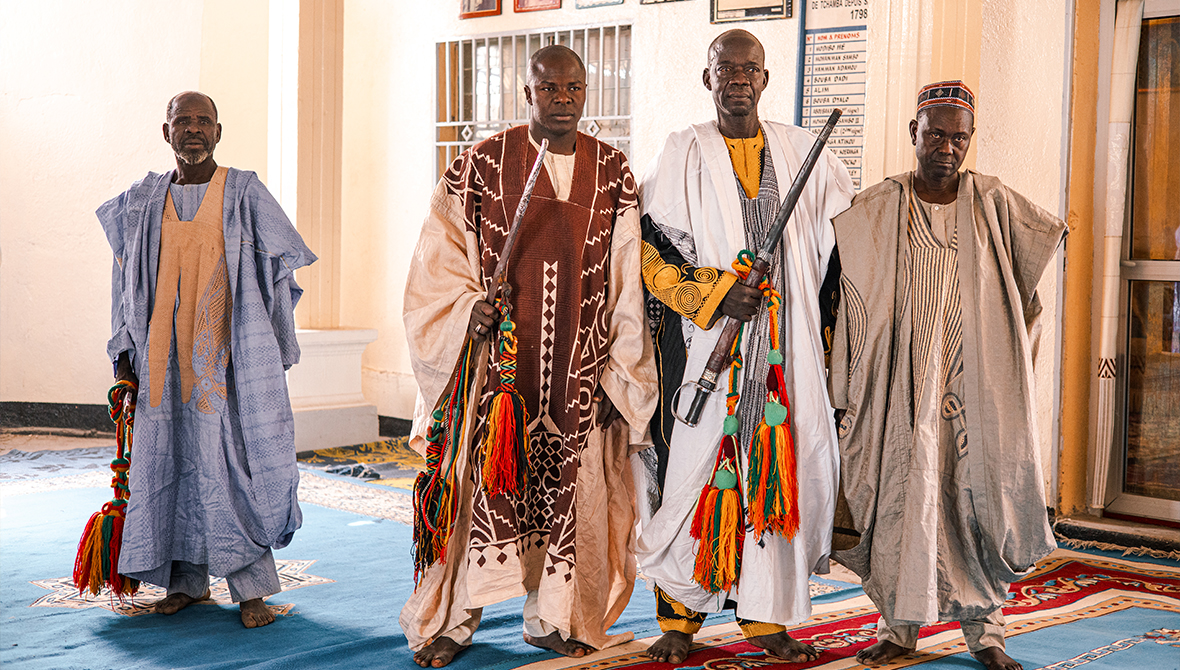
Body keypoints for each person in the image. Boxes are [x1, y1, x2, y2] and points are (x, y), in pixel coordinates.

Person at [401, 45, 657, 668]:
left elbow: (626, 283)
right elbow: (437, 266)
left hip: (579, 374)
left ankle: (556, 617)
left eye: (574, 89)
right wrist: (468, 310)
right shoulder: (481, 167)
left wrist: (618, 377)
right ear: (528, 92)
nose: (563, 99)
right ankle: (452, 622)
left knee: (572, 496)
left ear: (587, 91)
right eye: (549, 88)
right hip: (498, 377)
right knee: (477, 493)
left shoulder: (615, 172)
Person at [827, 81, 1065, 670]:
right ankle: (897, 628)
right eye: (935, 134)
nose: (947, 148)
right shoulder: (880, 205)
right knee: (900, 499)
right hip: (899, 382)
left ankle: (987, 634)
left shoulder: (991, 202)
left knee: (976, 501)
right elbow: (843, 283)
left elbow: (1033, 263)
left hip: (972, 380)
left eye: (959, 138)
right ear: (914, 132)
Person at [635, 29, 854, 664]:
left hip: (788, 354)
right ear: (707, 79)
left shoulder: (804, 152)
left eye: (748, 69)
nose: (736, 79)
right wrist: (715, 294)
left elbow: (844, 251)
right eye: (723, 68)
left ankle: (765, 617)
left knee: (779, 473)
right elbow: (651, 251)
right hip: (706, 348)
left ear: (765, 78)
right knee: (693, 472)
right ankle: (679, 619)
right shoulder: (681, 152)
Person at [99, 91, 315, 628]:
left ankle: (252, 590)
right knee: (169, 463)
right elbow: (122, 283)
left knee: (231, 466)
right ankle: (185, 583)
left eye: (203, 122)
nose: (193, 130)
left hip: (227, 360)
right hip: (161, 363)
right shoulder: (142, 201)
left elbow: (282, 268)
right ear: (165, 132)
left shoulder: (243, 192)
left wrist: (261, 344)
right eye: (182, 122)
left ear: (219, 131)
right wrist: (123, 352)